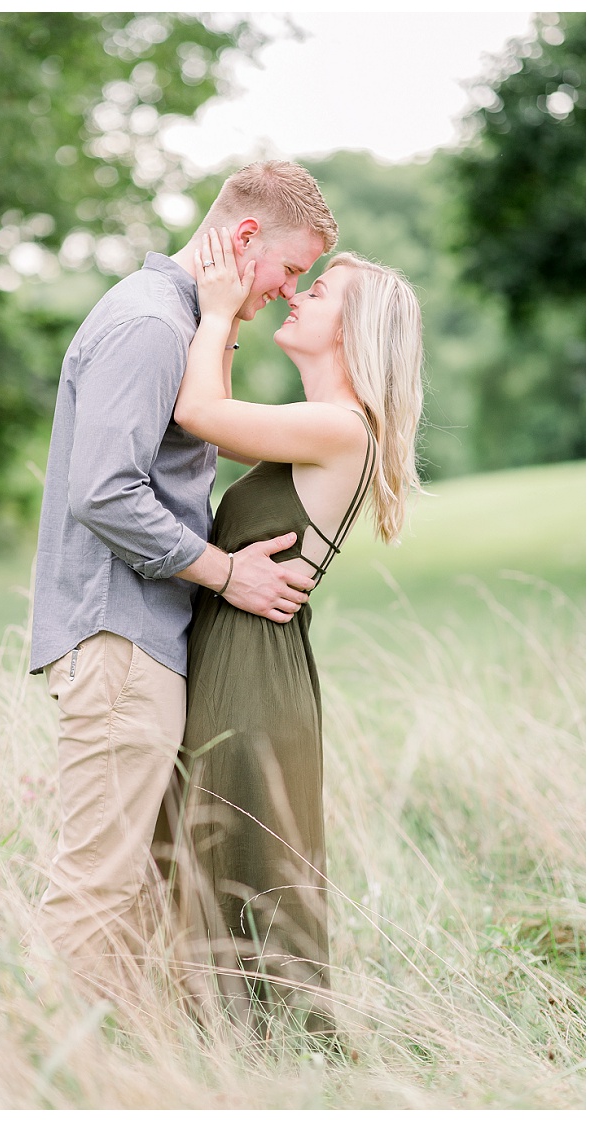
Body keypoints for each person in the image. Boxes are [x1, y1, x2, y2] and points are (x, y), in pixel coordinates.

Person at [29, 162, 338, 995]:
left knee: (133, 890)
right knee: (98, 885)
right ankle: (51, 1079)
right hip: (120, 636)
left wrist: (222, 321)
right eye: (289, 269)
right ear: (245, 239)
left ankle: (126, 1066)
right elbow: (104, 491)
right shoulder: (150, 327)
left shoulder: (180, 320)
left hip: (139, 640)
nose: (287, 288)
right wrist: (224, 573)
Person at [161, 227, 425, 1044]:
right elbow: (224, 416)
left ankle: (275, 1065)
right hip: (243, 658)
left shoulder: (342, 428)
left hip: (253, 672)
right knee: (218, 866)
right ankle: (227, 1053)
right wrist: (228, 325)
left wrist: (217, 311)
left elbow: (200, 413)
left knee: (241, 868)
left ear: (352, 332)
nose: (301, 292)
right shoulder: (322, 421)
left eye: (323, 293)